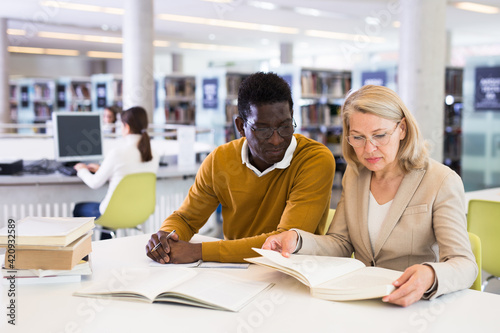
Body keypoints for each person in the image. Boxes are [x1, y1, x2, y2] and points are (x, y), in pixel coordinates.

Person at [262, 85, 477, 307]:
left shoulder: (441, 180)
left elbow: (464, 264)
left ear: (402, 128)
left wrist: (431, 275)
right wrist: (297, 240)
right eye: (358, 137)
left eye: (380, 136)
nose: (369, 149)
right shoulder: (355, 175)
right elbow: (341, 243)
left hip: (413, 304)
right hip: (362, 299)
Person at [146, 72, 335, 264]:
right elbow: (186, 219)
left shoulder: (314, 159)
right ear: (241, 126)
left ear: (292, 117)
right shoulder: (220, 160)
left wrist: (199, 251)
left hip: (293, 272)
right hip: (234, 272)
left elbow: (283, 243)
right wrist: (167, 238)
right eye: (263, 130)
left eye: (285, 126)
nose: (276, 139)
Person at [73, 106, 159, 239]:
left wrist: (82, 170)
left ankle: (83, 258)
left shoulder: (117, 154)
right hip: (141, 212)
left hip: (113, 213)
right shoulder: (154, 154)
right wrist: (103, 170)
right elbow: (127, 176)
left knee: (79, 208)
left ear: (127, 127)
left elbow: (95, 183)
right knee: (110, 211)